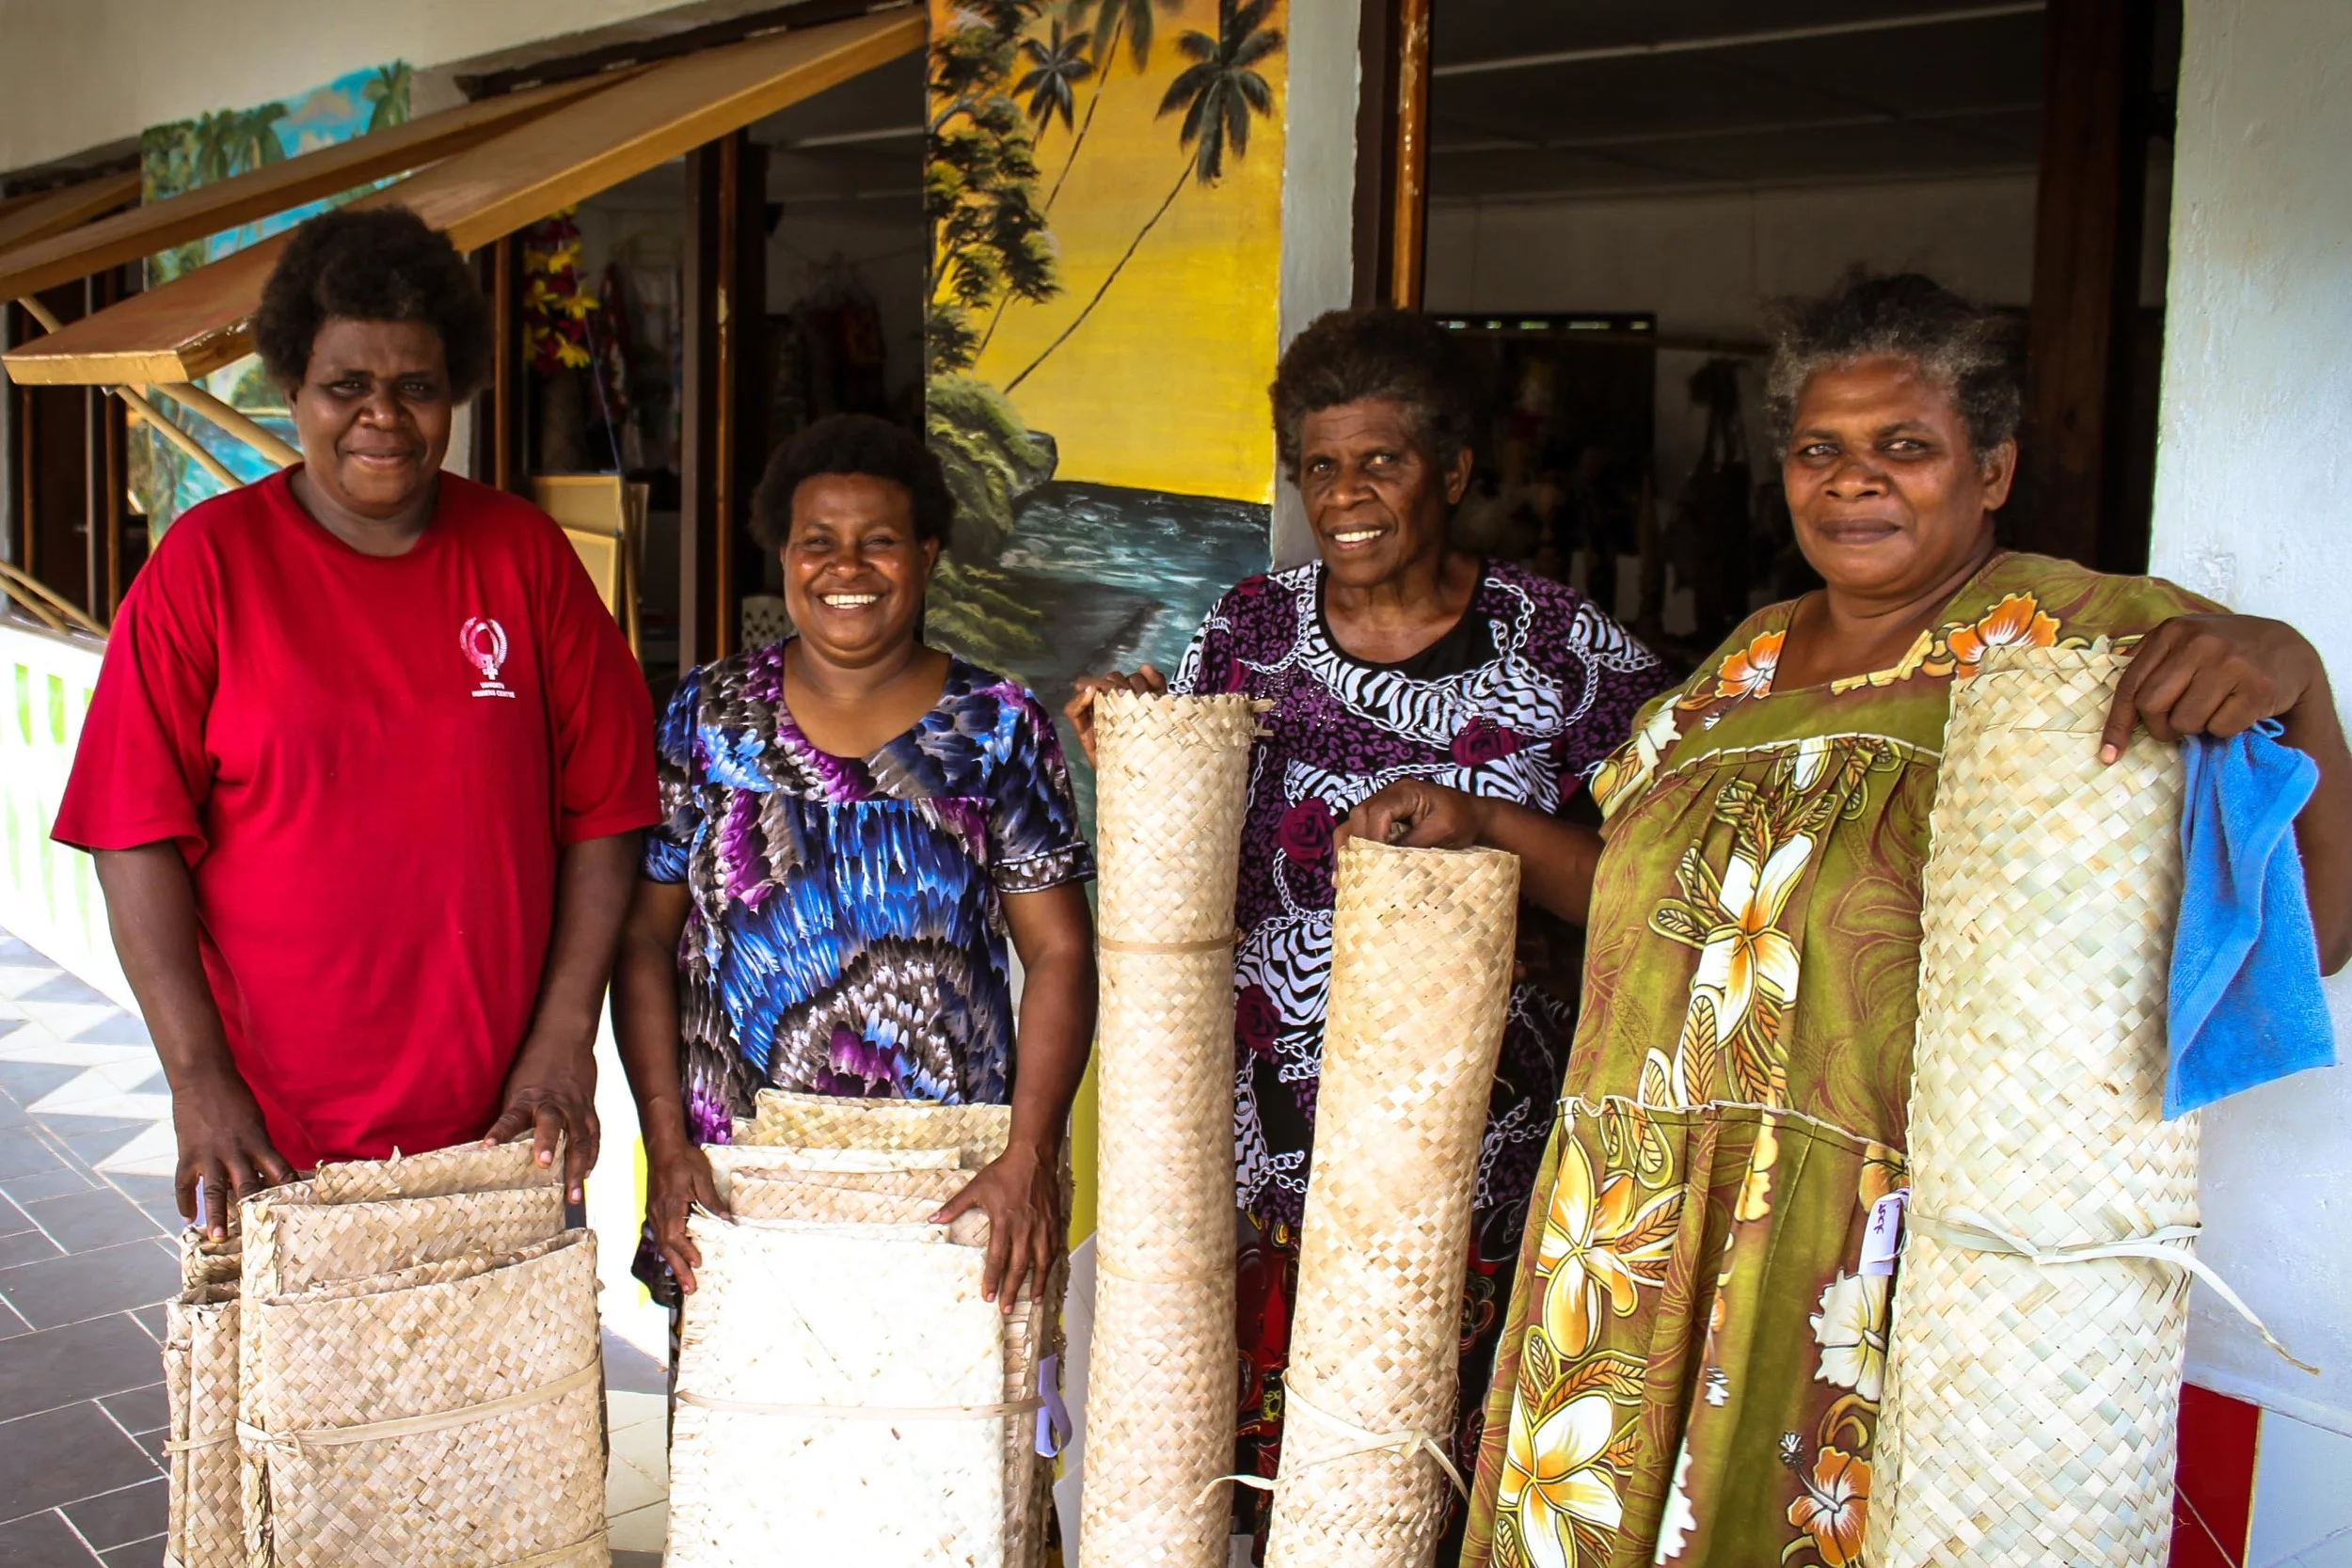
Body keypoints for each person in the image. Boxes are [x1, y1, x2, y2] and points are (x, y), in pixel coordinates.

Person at [1391, 271, 2352, 1568]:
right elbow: (1641, 882)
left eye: (1906, 447)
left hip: (1872, 1240)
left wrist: (2295, 668)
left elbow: (2310, 917)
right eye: (1820, 451)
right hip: (1626, 1224)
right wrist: (1492, 823)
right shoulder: (1741, 663)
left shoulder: (2077, 644)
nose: (1855, 481)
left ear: (1993, 469)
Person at [1068, 308, 1677, 1548]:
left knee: (1438, 1489)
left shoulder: (1571, 652)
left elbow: (1664, 883)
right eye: (1322, 465)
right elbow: (1191, 831)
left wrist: (1486, 822)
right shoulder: (1249, 631)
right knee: (1291, 1497)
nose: (1347, 494)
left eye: (1383, 461)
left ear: (1451, 472)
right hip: (1281, 1138)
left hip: (1489, 1149)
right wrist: (1133, 736)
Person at [53, 206, 658, 1233]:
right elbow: (133, 831)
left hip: (502, 1125)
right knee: (291, 1397)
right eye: (347, 386)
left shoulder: (525, 558)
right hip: (269, 1135)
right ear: (293, 387)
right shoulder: (205, 570)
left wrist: (565, 1039)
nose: (383, 415)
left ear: (453, 391)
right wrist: (198, 1078)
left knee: (504, 1394)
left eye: (416, 387)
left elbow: (606, 812)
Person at [612, 414, 1097, 1314]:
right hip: (738, 1180)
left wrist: (1026, 1157)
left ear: (927, 554)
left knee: (944, 1437)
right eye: (817, 543)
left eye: (878, 542)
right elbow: (644, 937)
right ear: (783, 557)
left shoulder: (998, 725)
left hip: (949, 1185)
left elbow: (1062, 953)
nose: (846, 568)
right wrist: (668, 1144)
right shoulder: (708, 716)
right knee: (743, 1437)